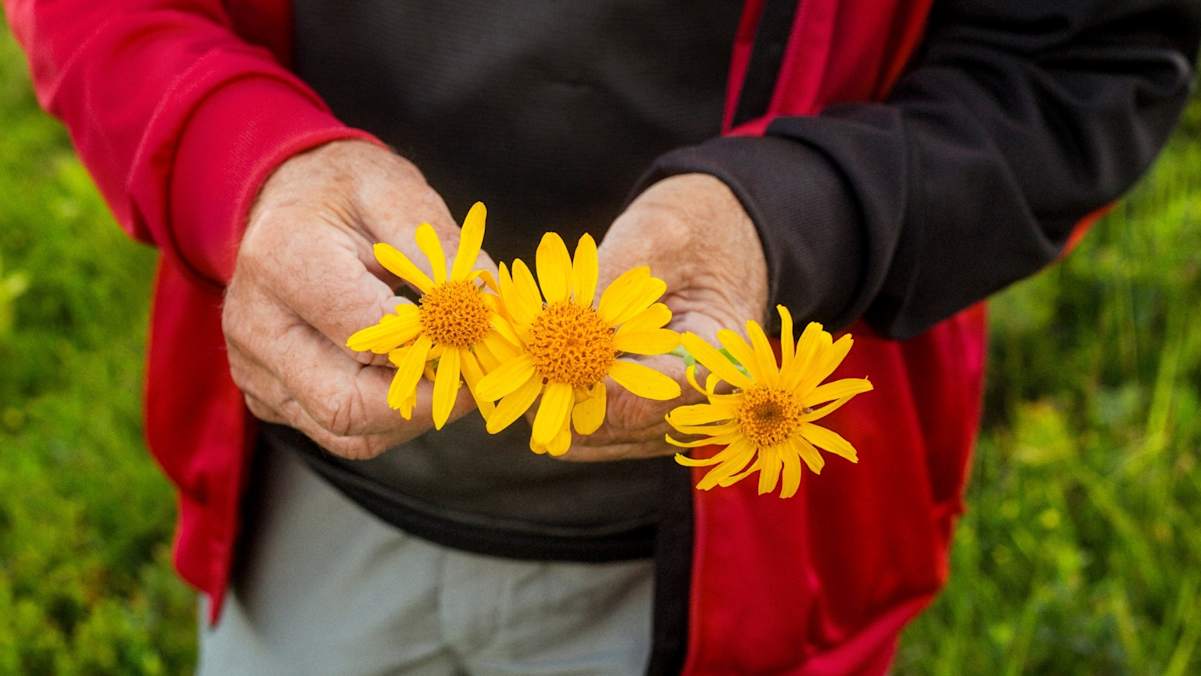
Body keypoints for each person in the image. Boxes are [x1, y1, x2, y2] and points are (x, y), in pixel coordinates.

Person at [7, 0, 1198, 673]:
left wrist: (799, 217)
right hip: (304, 498)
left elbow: (1087, 67)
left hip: (743, 580)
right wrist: (236, 160)